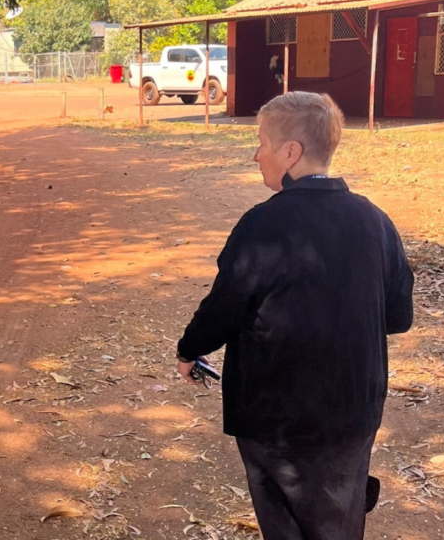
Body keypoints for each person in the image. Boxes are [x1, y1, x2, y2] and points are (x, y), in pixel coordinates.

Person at [175, 92, 414, 540]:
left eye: (262, 142)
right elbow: (397, 316)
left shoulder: (261, 225)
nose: (255, 154)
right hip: (353, 409)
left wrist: (190, 349)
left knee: (284, 522)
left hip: (276, 418)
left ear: (290, 152)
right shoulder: (375, 221)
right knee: (340, 518)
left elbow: (226, 305)